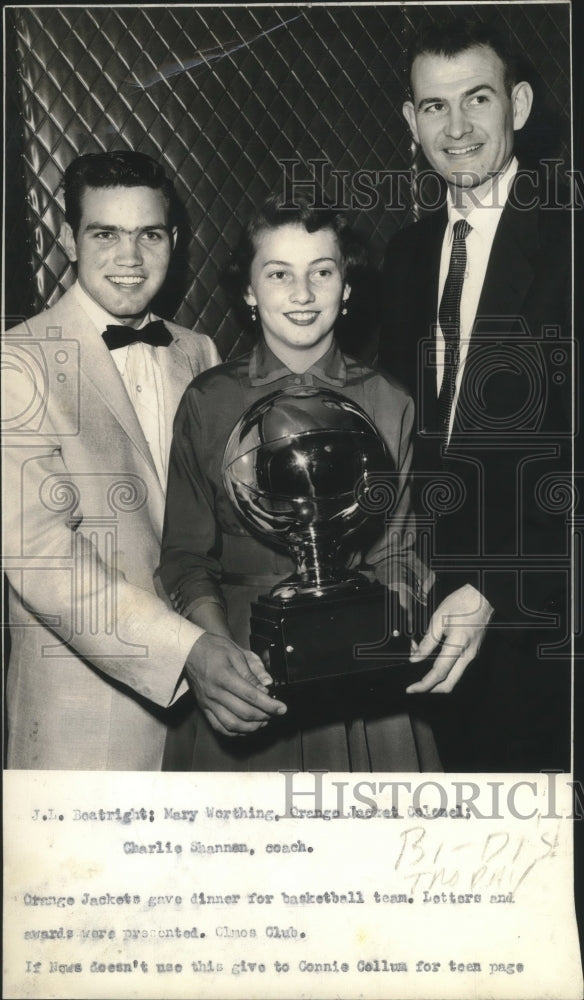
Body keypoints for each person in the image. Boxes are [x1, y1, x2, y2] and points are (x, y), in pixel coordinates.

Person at [2, 150, 286, 770]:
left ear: (174, 240)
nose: (129, 258)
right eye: (106, 233)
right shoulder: (15, 363)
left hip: (215, 722)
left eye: (148, 234)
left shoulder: (198, 351)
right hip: (87, 730)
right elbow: (44, 561)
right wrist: (187, 651)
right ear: (69, 240)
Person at [158, 193, 440, 772]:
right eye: (279, 274)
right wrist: (217, 652)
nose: (303, 294)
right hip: (244, 655)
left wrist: (387, 630)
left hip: (361, 660)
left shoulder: (390, 402)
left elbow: (402, 552)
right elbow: (185, 555)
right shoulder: (209, 402)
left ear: (348, 286)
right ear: (248, 291)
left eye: (322, 272)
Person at [379, 19, 572, 770]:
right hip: (424, 622)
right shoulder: (405, 255)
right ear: (410, 119)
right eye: (434, 106)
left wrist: (491, 583)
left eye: (477, 99)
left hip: (545, 624)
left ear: (518, 106)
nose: (455, 129)